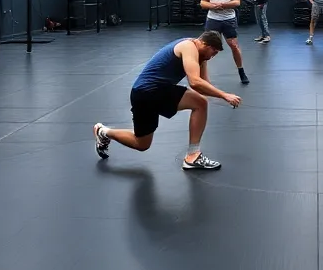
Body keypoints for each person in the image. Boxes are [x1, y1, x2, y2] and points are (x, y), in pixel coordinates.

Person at [93, 30, 240, 170]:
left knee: (142, 144)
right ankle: (193, 156)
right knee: (200, 103)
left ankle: (103, 132)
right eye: (213, 52)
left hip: (149, 92)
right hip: (148, 91)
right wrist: (224, 95)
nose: (213, 56)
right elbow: (195, 82)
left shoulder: (200, 55)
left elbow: (203, 84)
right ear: (205, 45)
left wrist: (217, 94)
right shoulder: (189, 46)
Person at [200, 0, 250, 85]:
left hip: (228, 19)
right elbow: (203, 3)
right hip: (213, 19)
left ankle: (241, 71)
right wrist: (212, 6)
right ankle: (202, 75)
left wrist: (223, 4)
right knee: (205, 47)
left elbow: (237, 2)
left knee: (234, 45)